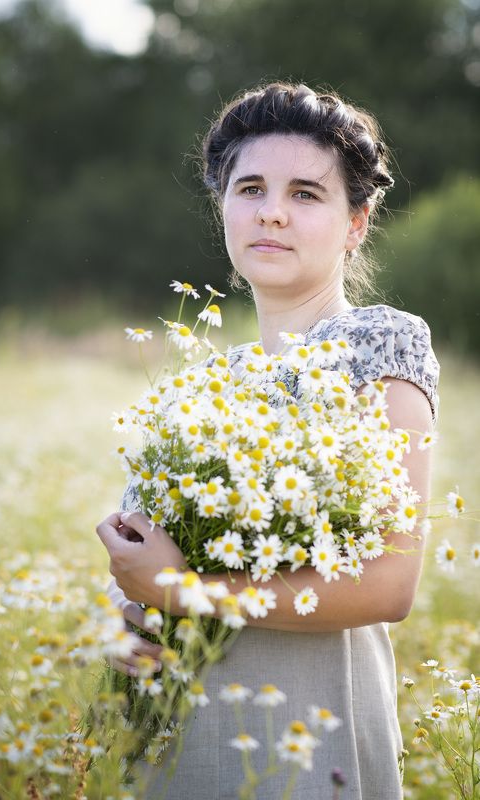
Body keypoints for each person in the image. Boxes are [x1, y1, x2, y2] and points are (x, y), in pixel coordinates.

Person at [96, 82, 440, 799]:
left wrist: (183, 591)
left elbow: (389, 584)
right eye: (249, 188)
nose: (271, 211)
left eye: (305, 194)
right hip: (178, 741)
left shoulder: (379, 344)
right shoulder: (199, 384)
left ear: (356, 222)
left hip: (308, 732)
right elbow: (148, 578)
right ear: (222, 206)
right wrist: (128, 623)